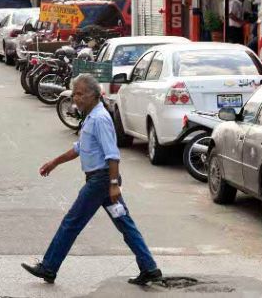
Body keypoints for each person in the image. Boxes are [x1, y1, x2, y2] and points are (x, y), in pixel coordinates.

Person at [21, 74, 162, 286]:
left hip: (101, 181)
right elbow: (79, 148)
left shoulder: (100, 119)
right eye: (75, 93)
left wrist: (113, 185)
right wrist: (54, 162)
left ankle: (49, 267)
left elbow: (112, 155)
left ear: (94, 95)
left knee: (71, 222)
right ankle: (149, 268)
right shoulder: (90, 117)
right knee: (125, 223)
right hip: (102, 181)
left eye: (81, 94)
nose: (76, 98)